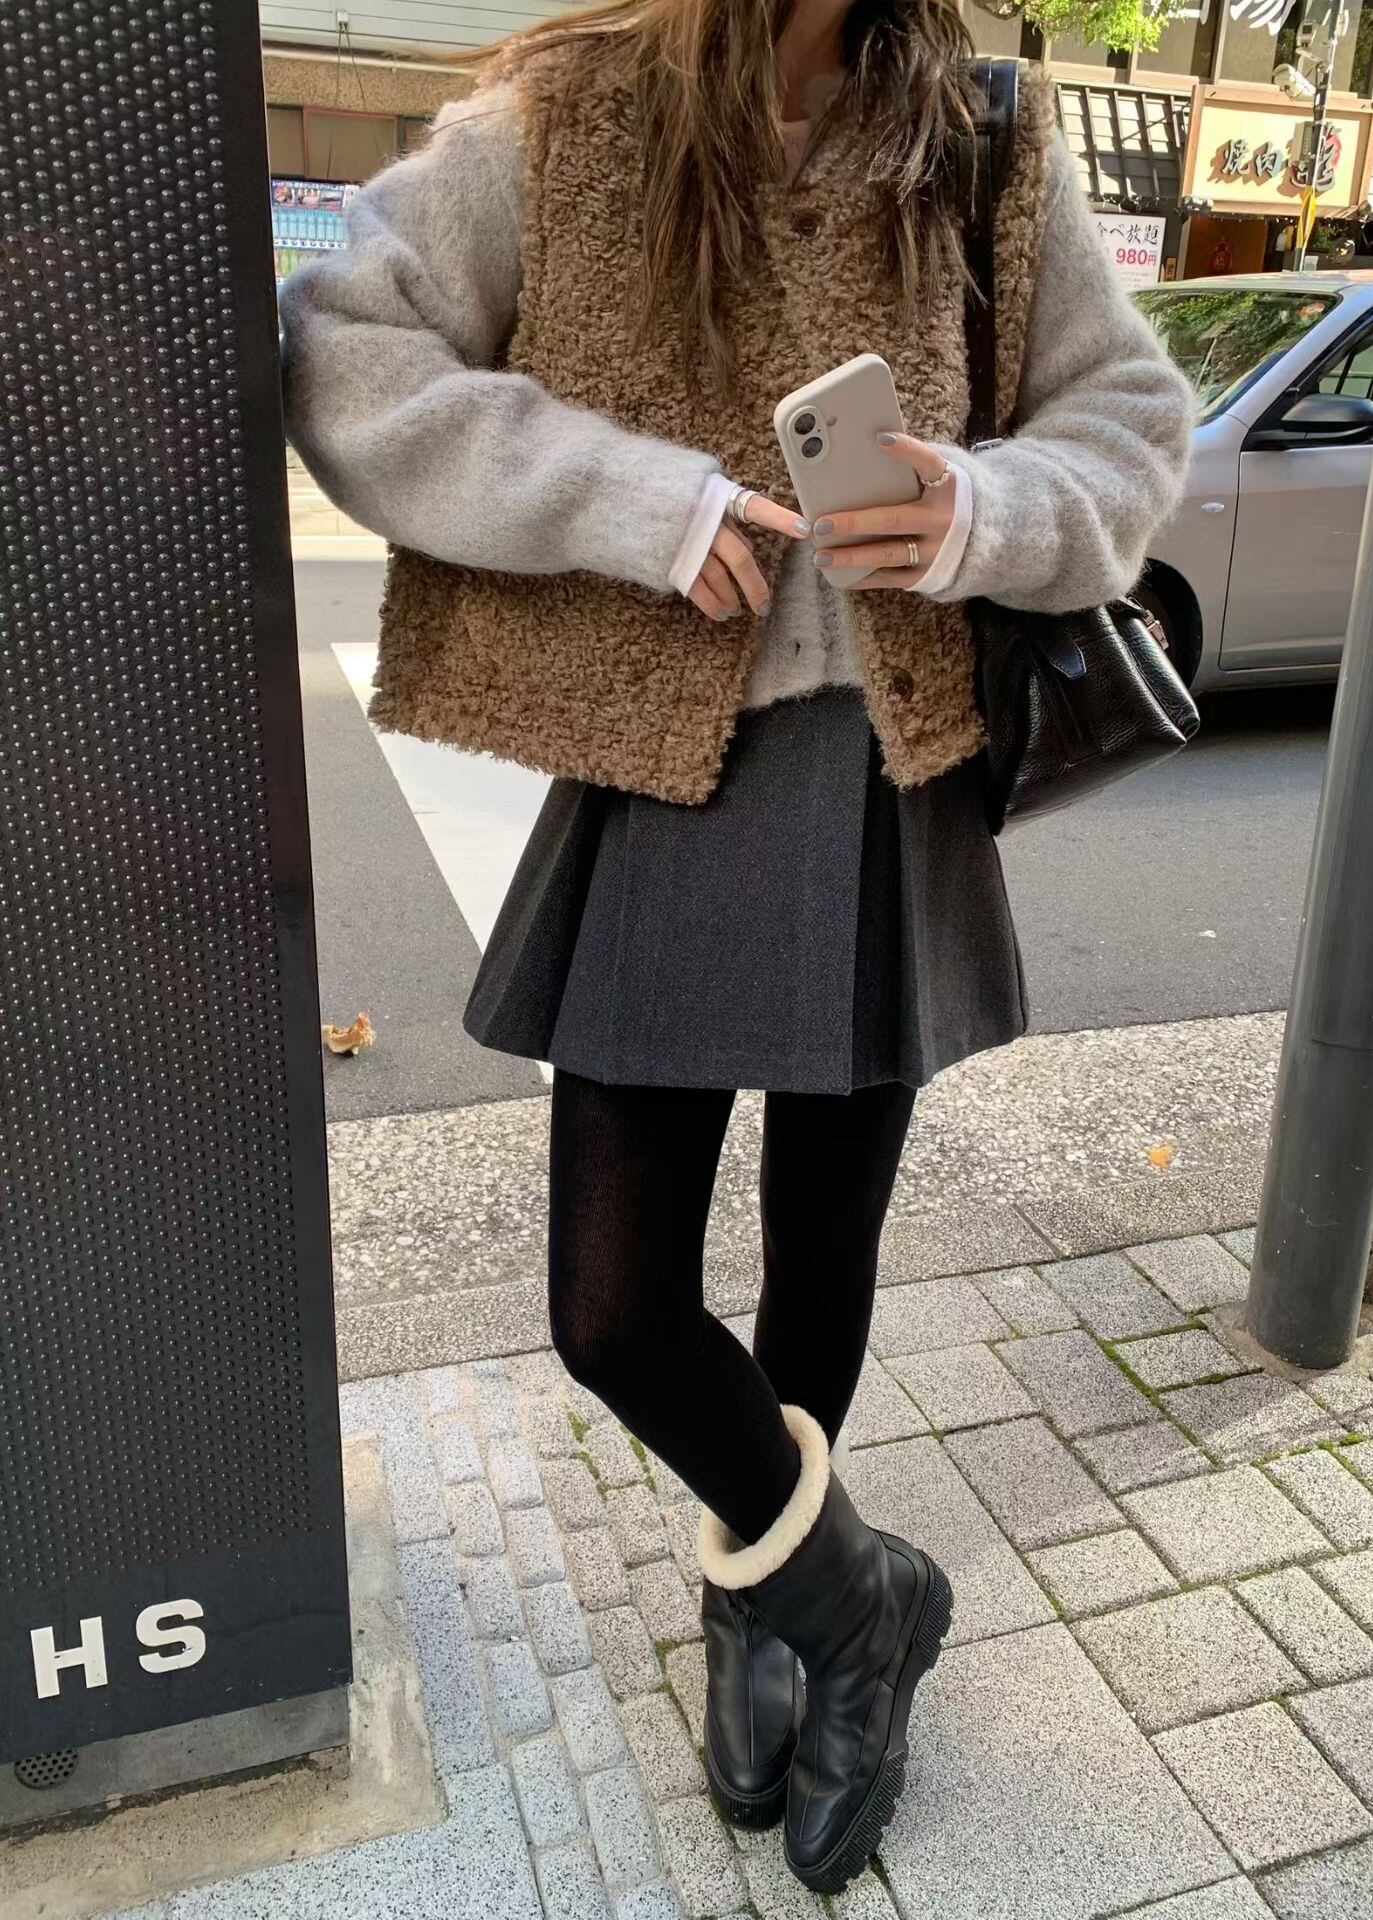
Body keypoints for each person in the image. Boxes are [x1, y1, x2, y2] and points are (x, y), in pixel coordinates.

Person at [280, 0, 1193, 1892]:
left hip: (892, 777)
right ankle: (861, 1600)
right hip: (662, 763)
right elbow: (347, 346)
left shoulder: (978, 130)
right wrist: (641, 504)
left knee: (820, 1261)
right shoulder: (570, 117)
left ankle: (757, 1599)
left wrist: (979, 511)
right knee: (613, 1309)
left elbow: (1129, 424)